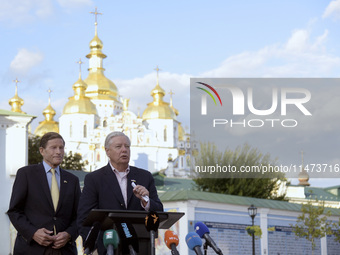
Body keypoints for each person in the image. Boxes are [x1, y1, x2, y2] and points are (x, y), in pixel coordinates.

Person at [77, 131, 164, 254]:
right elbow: (84, 218)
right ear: (107, 151)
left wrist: (146, 201)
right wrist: (93, 248)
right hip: (106, 247)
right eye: (118, 147)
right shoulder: (94, 179)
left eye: (127, 146)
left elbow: (159, 211)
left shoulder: (145, 177)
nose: (124, 150)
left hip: (140, 246)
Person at [7, 132, 81, 255]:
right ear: (42, 151)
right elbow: (14, 211)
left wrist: (69, 234)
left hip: (64, 251)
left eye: (61, 147)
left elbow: (80, 216)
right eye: (53, 148)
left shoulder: (72, 180)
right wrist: (33, 233)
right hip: (31, 249)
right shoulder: (26, 174)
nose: (59, 152)